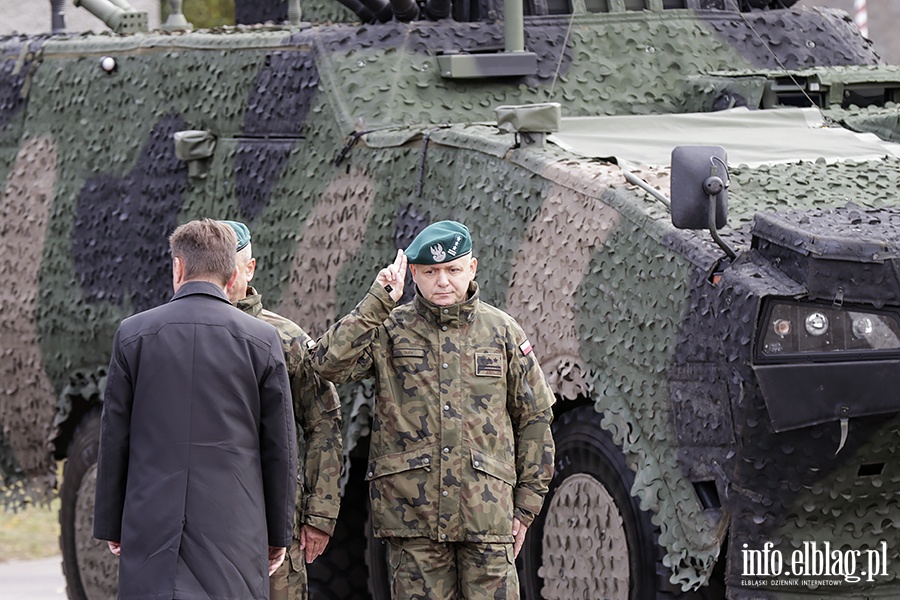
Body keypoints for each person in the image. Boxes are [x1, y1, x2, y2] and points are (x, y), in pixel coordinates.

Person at [312, 220, 556, 600]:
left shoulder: (502, 332)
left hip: (487, 518)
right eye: (430, 272)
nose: (443, 282)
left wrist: (525, 508)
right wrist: (378, 301)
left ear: (471, 268)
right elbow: (327, 364)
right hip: (413, 519)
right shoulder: (389, 329)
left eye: (453, 270)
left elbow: (536, 418)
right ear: (413, 274)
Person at [93, 218, 297, 600]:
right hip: (235, 530)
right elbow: (280, 448)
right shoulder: (262, 339)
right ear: (232, 271)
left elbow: (114, 436)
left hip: (151, 526)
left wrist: (111, 523)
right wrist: (277, 533)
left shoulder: (133, 334)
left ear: (178, 267)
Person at [221, 220, 343, 600]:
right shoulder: (176, 332)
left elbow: (323, 421)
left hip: (276, 522)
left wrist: (320, 513)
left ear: (250, 268)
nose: (223, 283)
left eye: (232, 271)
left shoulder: (284, 339)